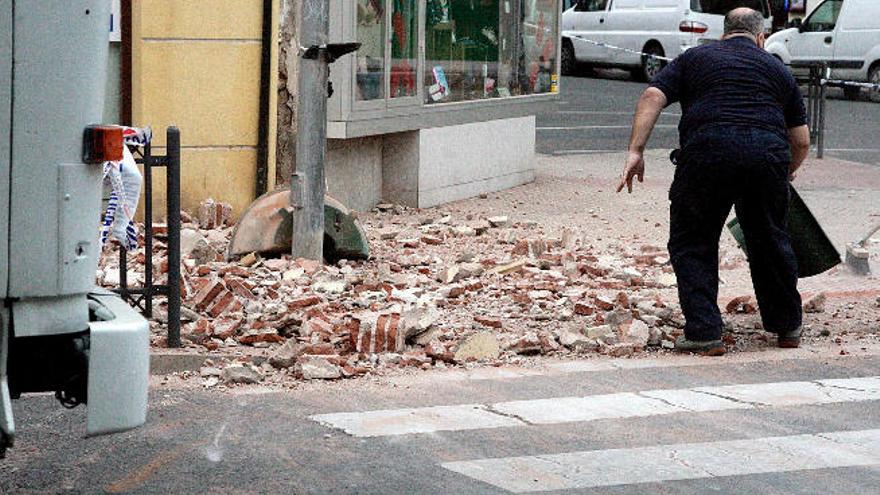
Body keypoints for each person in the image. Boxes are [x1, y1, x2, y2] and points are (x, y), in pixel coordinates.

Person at [617, 7, 811, 356]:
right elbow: (800, 141)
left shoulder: (695, 58)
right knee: (770, 239)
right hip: (765, 158)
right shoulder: (778, 70)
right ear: (761, 37)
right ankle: (787, 326)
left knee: (693, 240)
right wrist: (785, 171)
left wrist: (636, 150)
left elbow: (652, 96)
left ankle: (705, 331)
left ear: (723, 34)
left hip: (707, 155)